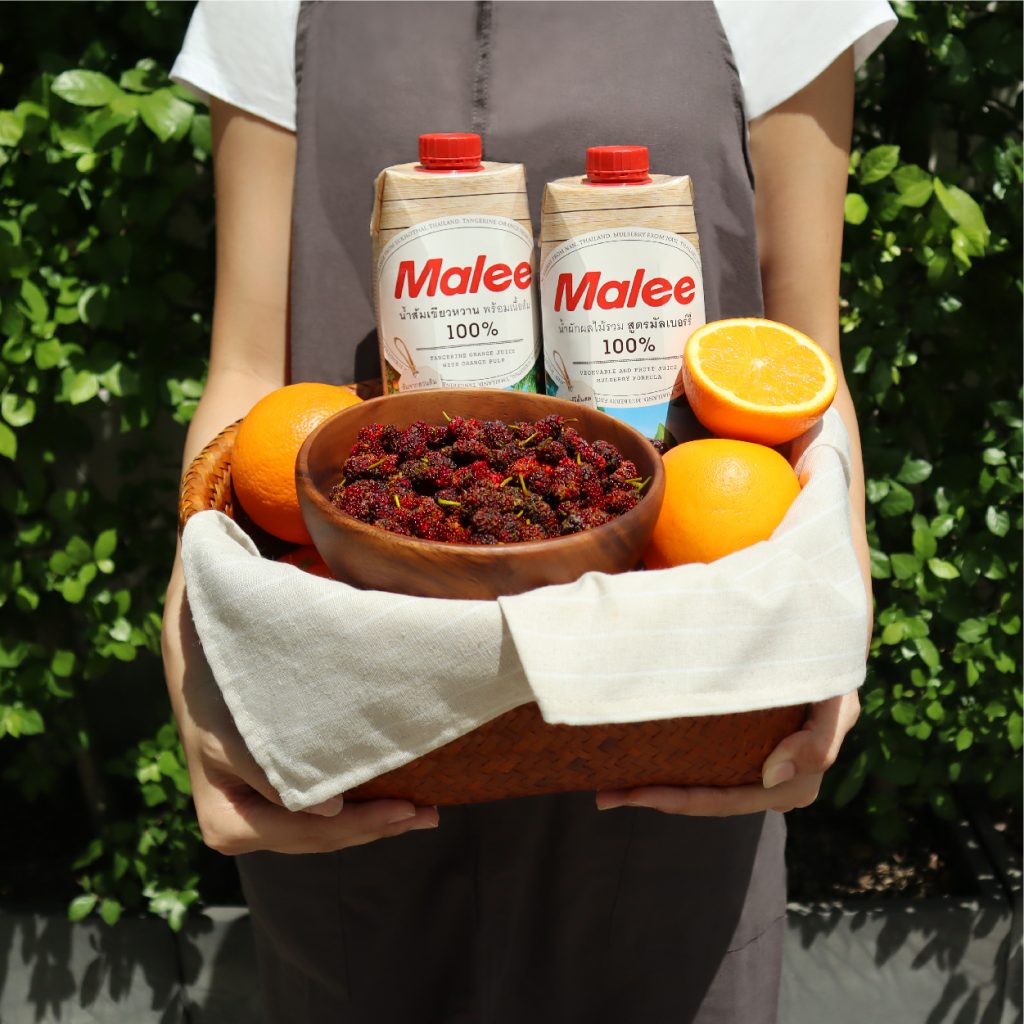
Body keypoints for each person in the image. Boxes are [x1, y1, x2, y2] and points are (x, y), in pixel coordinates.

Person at [162, 3, 895, 1021]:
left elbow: (804, 361)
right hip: (355, 715)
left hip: (675, 703)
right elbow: (246, 370)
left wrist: (835, 635)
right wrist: (189, 643)